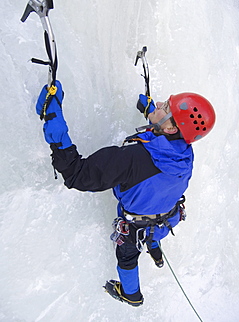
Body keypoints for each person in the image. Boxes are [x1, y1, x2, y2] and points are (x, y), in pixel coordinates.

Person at [36, 80, 215, 307]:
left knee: (127, 257)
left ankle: (132, 295)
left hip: (136, 227)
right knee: (152, 231)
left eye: (166, 106)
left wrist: (54, 121)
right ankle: (155, 252)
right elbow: (167, 135)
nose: (160, 102)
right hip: (166, 216)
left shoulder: (132, 160)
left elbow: (77, 175)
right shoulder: (184, 153)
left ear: (170, 127)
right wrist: (152, 112)